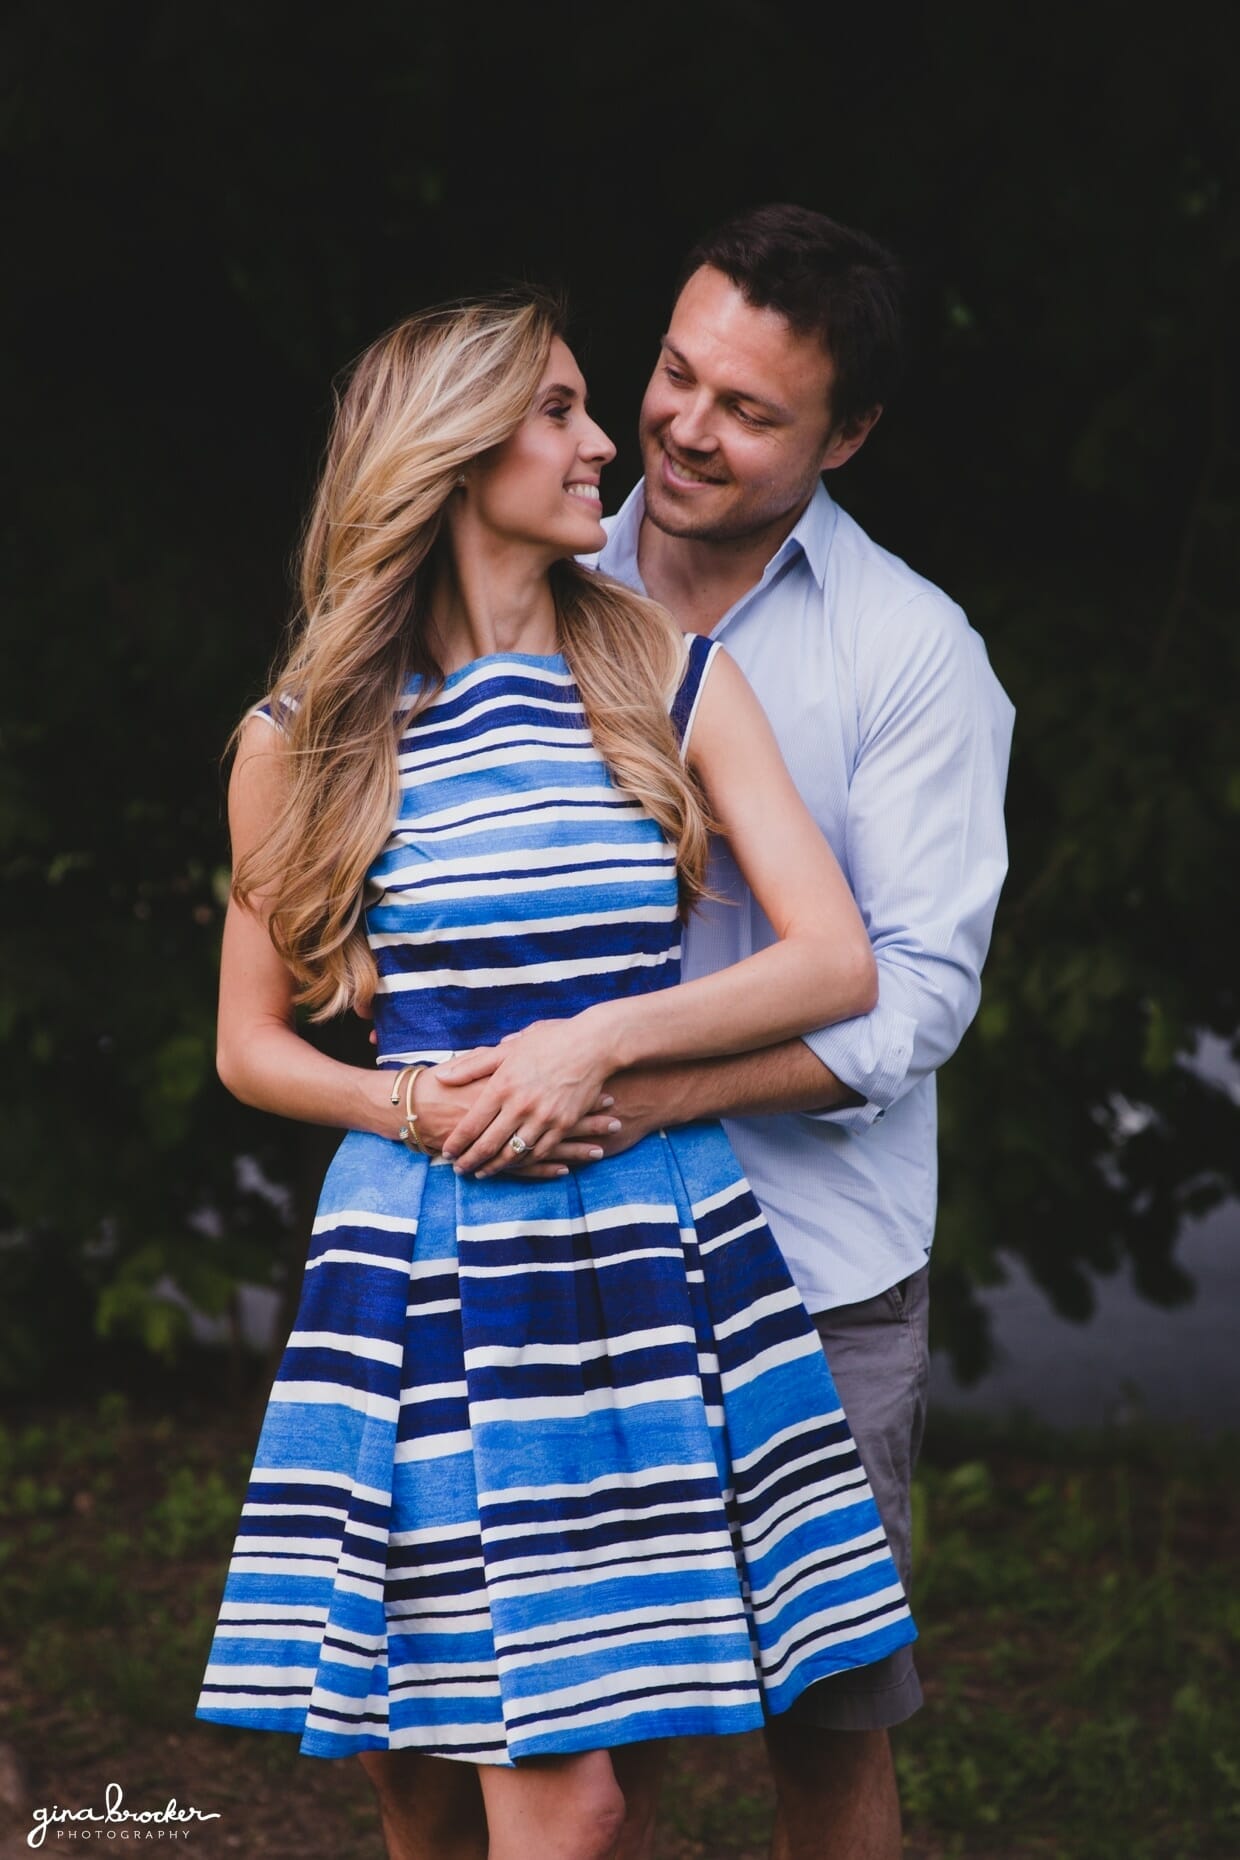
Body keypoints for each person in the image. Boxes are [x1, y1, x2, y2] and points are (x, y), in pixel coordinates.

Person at [193, 290, 918, 1860]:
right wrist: (407, 1102)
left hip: (646, 1260)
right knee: (427, 1777)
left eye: (592, 404)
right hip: (427, 1269)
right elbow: (252, 1046)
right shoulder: (306, 735)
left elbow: (835, 960)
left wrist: (604, 1039)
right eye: (560, 412)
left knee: (586, 1789)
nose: (609, 446)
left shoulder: (671, 676)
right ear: (452, 456)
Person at [408, 209, 1017, 1858]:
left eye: (749, 412)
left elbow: (909, 999)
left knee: (825, 1744)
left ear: (851, 435)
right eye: (676, 373)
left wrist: (628, 1069)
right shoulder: (538, 564)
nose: (681, 426)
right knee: (598, 1747)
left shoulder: (909, 656)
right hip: (571, 1260)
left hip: (813, 1271)